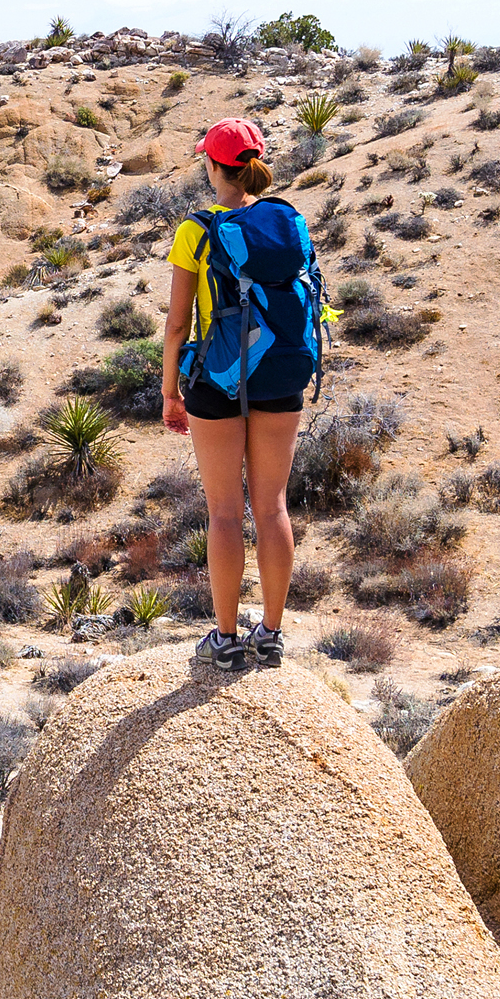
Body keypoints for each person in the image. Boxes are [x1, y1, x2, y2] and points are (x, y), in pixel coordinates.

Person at [162, 117, 322, 672]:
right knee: (272, 504)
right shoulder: (285, 220)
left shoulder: (195, 231)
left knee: (225, 512)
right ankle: (272, 634)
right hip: (280, 373)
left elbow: (177, 324)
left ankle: (226, 639)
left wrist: (169, 392)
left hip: (217, 377)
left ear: (212, 166)